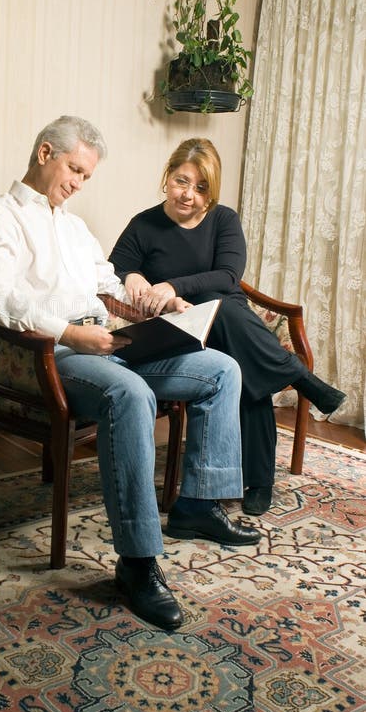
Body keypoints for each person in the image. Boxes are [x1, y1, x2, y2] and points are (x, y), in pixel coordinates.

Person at [0, 116, 260, 633]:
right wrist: (70, 334)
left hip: (107, 342)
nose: (78, 183)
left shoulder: (75, 228)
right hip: (54, 355)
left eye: (86, 177)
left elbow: (107, 283)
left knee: (220, 370)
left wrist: (149, 307)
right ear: (45, 153)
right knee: (130, 394)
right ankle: (138, 563)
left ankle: (197, 504)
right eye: (74, 169)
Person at [109, 137, 346, 517]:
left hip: (228, 320)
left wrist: (173, 284)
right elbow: (115, 268)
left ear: (212, 192)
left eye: (201, 188)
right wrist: (134, 277)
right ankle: (297, 389)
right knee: (242, 352)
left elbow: (227, 275)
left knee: (235, 343)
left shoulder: (224, 220)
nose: (189, 195)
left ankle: (259, 478)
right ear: (167, 176)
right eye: (182, 181)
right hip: (179, 327)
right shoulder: (144, 224)